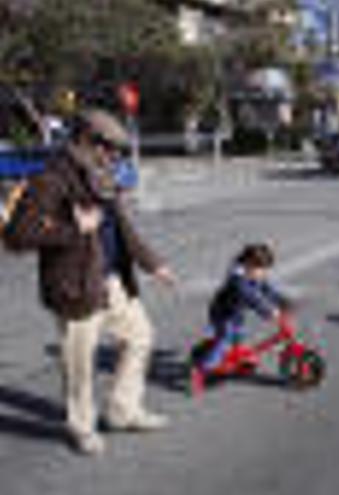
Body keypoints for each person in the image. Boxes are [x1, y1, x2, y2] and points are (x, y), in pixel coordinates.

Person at [4, 108, 177, 455]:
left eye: (117, 150)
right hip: (75, 284)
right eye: (109, 147)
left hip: (111, 280)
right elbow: (16, 236)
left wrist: (152, 264)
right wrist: (73, 231)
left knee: (140, 337)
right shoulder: (51, 180)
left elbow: (120, 227)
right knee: (79, 365)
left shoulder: (100, 176)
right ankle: (81, 427)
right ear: (85, 141)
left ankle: (122, 409)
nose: (114, 155)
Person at [192, 243, 291, 373]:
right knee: (225, 339)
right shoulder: (238, 282)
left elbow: (267, 289)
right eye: (261, 269)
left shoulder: (254, 275)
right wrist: (269, 312)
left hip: (235, 314)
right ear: (249, 264)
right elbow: (252, 299)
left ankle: (238, 359)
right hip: (223, 314)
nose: (263, 273)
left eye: (265, 269)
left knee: (238, 336)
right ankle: (203, 368)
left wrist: (282, 301)